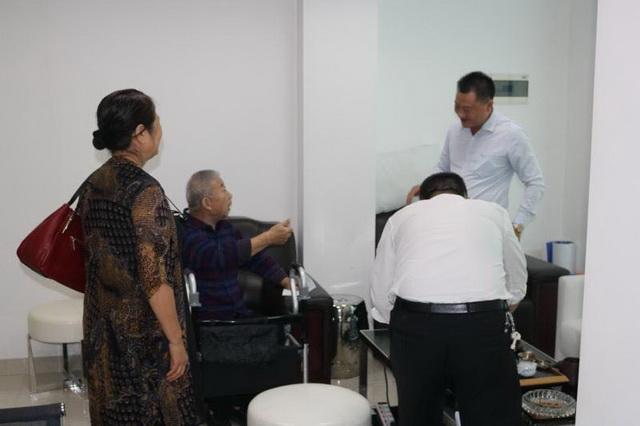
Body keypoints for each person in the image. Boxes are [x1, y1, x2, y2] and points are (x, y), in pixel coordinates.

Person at [77, 89, 198, 425]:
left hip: (102, 329)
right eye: (157, 123)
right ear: (140, 133)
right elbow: (154, 277)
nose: (161, 130)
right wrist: (175, 341)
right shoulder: (145, 192)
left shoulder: (94, 183)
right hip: (145, 338)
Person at [373, 172, 527, 426]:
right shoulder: (494, 212)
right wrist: (509, 303)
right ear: (465, 196)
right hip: (482, 325)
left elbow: (381, 285)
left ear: (423, 199)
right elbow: (517, 273)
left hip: (416, 326)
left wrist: (396, 322)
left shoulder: (401, 217)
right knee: (491, 414)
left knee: (418, 415)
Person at [406, 71, 545, 238]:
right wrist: (426, 185)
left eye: (467, 109)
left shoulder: (511, 135)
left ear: (489, 105)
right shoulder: (454, 130)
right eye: (457, 106)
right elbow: (443, 166)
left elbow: (535, 183)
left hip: (487, 228)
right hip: (451, 222)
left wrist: (518, 225)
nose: (460, 114)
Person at [181, 169, 292, 321]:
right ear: (207, 203)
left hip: (238, 315)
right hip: (211, 322)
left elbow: (254, 258)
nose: (230, 195)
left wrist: (287, 282)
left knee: (278, 328)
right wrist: (268, 238)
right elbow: (218, 256)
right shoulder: (188, 234)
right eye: (223, 189)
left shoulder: (226, 228)